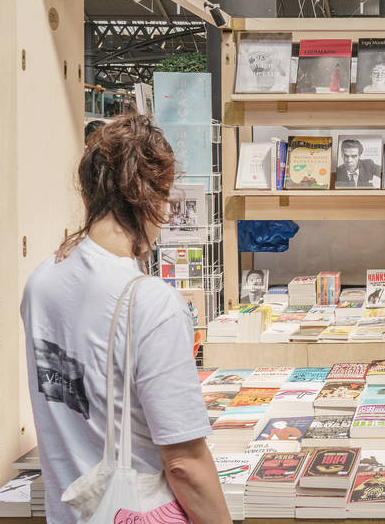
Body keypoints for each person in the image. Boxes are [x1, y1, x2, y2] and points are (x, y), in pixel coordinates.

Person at [20, 116, 230, 523]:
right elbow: (184, 462)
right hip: (137, 509)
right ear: (151, 197)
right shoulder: (152, 302)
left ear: (88, 193)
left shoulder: (41, 282)